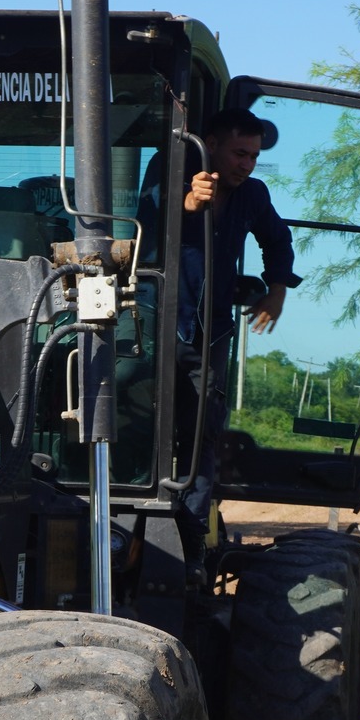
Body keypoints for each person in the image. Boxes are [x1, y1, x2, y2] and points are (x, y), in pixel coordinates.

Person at [136, 108, 301, 558]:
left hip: (209, 336)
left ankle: (190, 546)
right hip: (150, 331)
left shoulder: (252, 195)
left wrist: (277, 290)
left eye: (253, 156)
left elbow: (277, 238)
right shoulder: (167, 170)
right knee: (134, 426)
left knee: (202, 439)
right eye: (239, 153)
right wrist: (189, 203)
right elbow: (149, 218)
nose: (246, 164)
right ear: (209, 143)